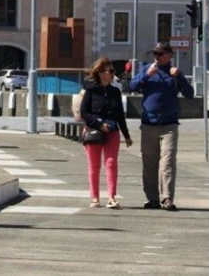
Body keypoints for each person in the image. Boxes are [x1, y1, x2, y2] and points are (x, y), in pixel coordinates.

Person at [130, 41, 194, 212]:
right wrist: (146, 76)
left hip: (169, 125)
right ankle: (152, 199)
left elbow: (190, 94)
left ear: (169, 56)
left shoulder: (174, 74)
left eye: (160, 54)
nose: (156, 57)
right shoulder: (147, 70)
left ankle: (167, 198)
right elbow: (133, 86)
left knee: (167, 162)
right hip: (148, 124)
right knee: (149, 164)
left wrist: (179, 76)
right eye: (155, 54)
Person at [79, 57, 133, 209]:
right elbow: (84, 112)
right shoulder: (90, 90)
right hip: (94, 131)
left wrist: (127, 135)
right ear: (101, 73)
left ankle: (111, 196)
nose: (112, 74)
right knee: (94, 165)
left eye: (112, 71)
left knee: (111, 163)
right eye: (110, 71)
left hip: (112, 131)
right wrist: (99, 124)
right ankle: (94, 198)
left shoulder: (115, 92)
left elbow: (120, 115)